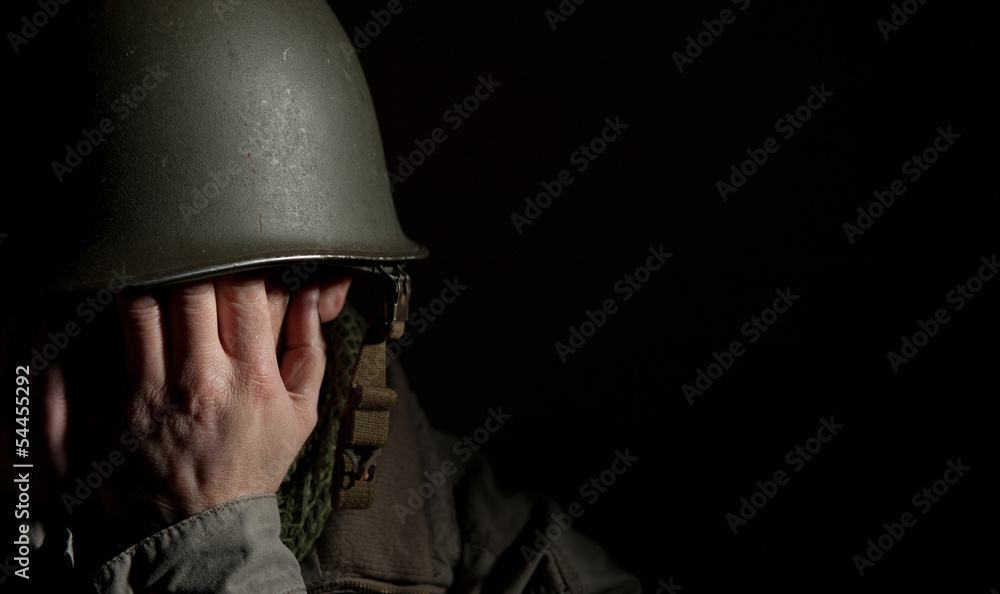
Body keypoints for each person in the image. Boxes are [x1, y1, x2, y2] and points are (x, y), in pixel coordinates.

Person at [1, 0, 641, 591]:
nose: (151, 373)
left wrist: (215, 541)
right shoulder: (22, 470)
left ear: (328, 290)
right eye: (79, 305)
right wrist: (26, 533)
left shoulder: (527, 572)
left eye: (183, 300)